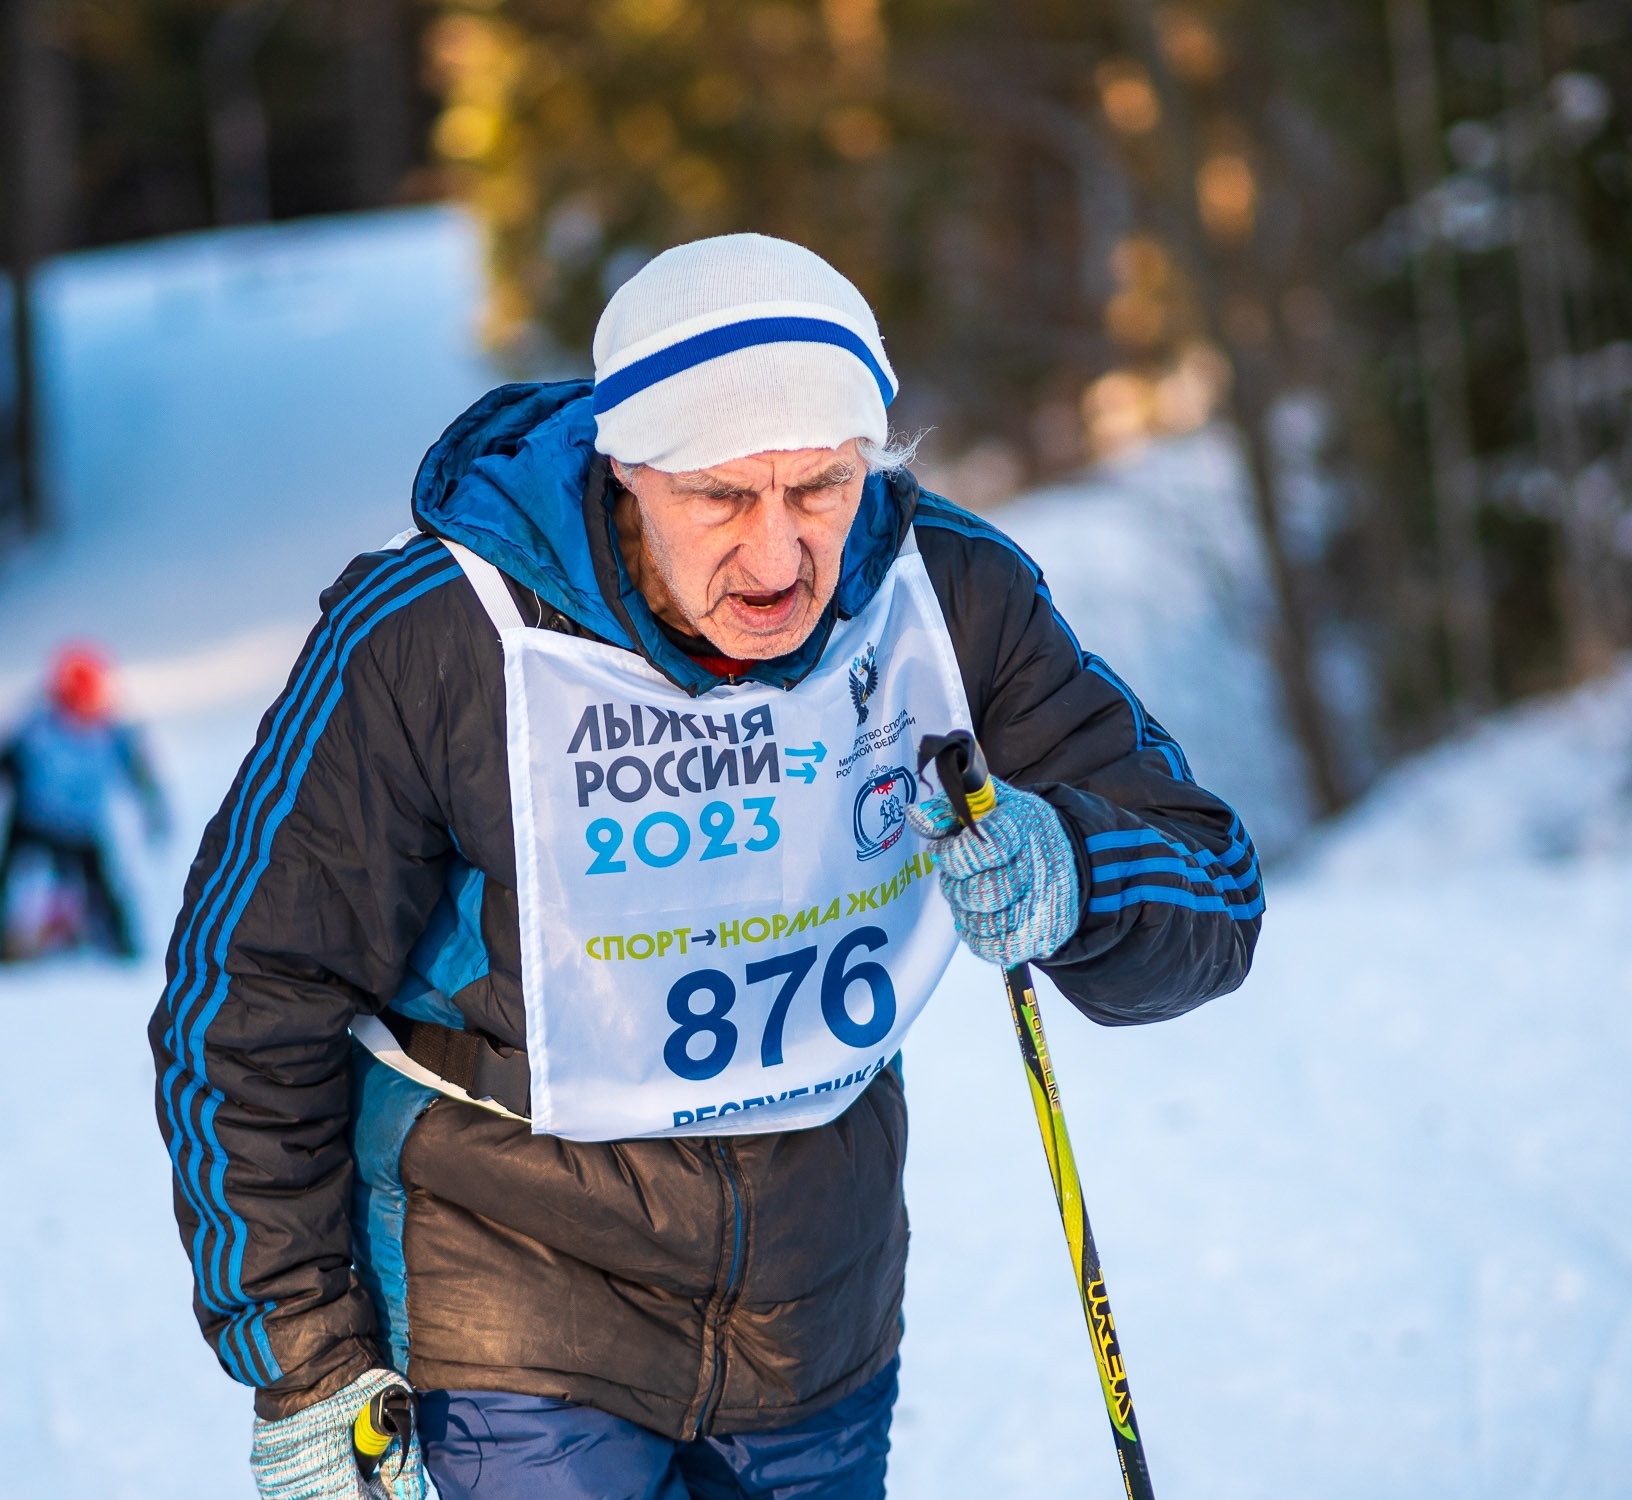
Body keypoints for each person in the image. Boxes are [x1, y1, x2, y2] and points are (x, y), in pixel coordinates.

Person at [151, 234, 1263, 1499]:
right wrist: (304, 1361)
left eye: (822, 489)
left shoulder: (941, 600)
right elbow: (246, 1002)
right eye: (723, 501)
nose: (781, 559)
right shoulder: (439, 639)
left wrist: (1078, 872)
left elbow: (1211, 886)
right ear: (628, 469)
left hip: (813, 1319)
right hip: (509, 1297)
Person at [0, 642, 168, 963]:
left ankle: (124, 953)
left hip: (81, 826)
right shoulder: (35, 726)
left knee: (103, 889)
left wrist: (155, 814)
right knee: (1, 879)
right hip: (31, 820)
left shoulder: (115, 733)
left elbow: (142, 778)